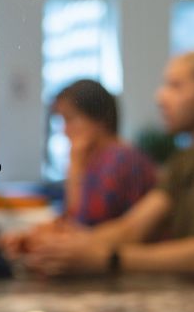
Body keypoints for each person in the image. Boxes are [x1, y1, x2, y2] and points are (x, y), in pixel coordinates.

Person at [11, 51, 194, 288]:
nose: (160, 97)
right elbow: (132, 227)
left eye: (175, 86)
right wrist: (55, 246)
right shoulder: (190, 159)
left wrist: (109, 258)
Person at [53, 79, 155, 226]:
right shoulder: (97, 158)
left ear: (99, 118)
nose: (65, 130)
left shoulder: (122, 160)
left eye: (70, 119)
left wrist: (75, 167)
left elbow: (84, 225)